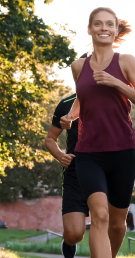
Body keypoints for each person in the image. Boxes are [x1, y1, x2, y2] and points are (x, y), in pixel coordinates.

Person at [61, 7, 135, 258]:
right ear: (89, 30)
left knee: (116, 222)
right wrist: (71, 115)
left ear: (116, 30)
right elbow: (83, 99)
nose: (104, 28)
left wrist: (117, 83)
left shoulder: (126, 61)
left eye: (109, 24)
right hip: (89, 152)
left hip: (122, 150)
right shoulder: (78, 66)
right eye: (98, 24)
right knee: (99, 214)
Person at [44, 88, 88, 258]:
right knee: (74, 234)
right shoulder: (66, 104)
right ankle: (68, 243)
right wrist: (60, 156)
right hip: (75, 173)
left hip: (105, 171)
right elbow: (50, 139)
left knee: (104, 222)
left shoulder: (111, 98)